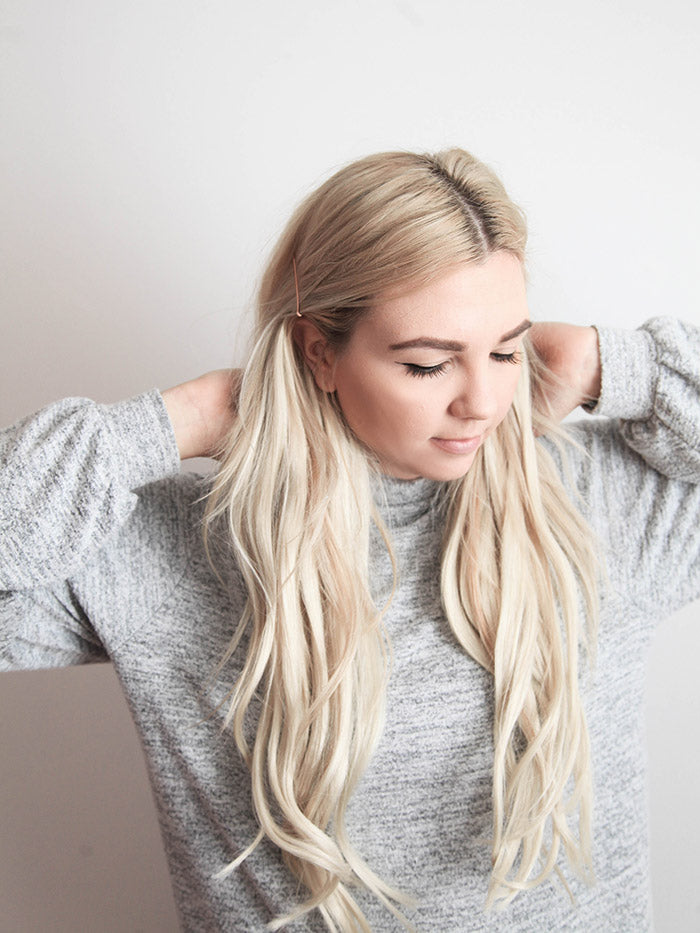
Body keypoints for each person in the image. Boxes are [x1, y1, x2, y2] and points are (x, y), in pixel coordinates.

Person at [1, 148, 698, 932]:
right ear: (318, 352)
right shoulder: (178, 552)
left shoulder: (597, 505)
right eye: (430, 364)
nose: (484, 401)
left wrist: (618, 363)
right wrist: (178, 419)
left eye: (506, 350)